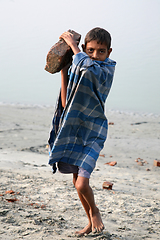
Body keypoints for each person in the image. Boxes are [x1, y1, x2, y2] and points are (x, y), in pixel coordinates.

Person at [48, 27, 116, 236]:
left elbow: (88, 68)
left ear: (109, 52)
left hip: (92, 133)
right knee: (76, 181)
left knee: (81, 184)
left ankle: (95, 213)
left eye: (101, 51)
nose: (96, 55)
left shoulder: (105, 70)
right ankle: (89, 222)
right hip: (73, 130)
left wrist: (74, 46)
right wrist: (63, 69)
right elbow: (66, 101)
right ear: (86, 48)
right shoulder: (79, 65)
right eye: (91, 50)